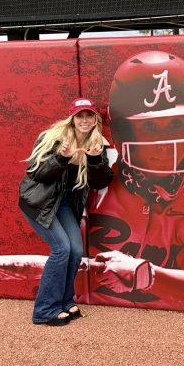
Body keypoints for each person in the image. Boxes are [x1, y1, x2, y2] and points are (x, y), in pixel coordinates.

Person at [87, 50, 184, 312]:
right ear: (124, 131)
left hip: (168, 332)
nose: (165, 145)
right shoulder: (93, 185)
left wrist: (144, 275)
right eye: (150, 127)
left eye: (176, 124)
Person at [19, 98, 114, 326]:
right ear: (72, 118)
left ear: (95, 119)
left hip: (64, 205)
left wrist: (93, 160)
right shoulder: (52, 138)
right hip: (39, 202)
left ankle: (64, 301)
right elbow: (36, 173)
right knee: (61, 249)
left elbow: (100, 182)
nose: (84, 120)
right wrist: (62, 157)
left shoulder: (97, 144)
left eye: (88, 115)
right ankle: (44, 310)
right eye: (79, 116)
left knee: (75, 250)